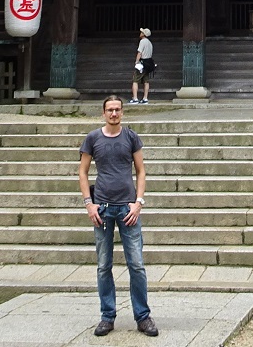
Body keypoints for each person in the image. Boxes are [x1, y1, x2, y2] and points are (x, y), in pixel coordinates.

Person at [79, 96, 158, 337]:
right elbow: (82, 172)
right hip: (102, 208)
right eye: (110, 110)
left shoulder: (131, 137)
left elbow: (141, 170)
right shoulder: (93, 138)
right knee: (104, 265)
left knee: (136, 264)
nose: (114, 114)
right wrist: (88, 204)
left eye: (117, 110)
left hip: (127, 208)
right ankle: (107, 315)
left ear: (122, 112)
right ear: (103, 113)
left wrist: (139, 202)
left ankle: (142, 316)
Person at [131, 27, 154, 103]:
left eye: (141, 32)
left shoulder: (142, 41)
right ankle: (145, 98)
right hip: (149, 63)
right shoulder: (149, 43)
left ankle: (135, 98)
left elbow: (139, 52)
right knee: (146, 81)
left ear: (144, 34)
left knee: (135, 80)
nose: (140, 33)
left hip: (142, 63)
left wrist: (136, 61)